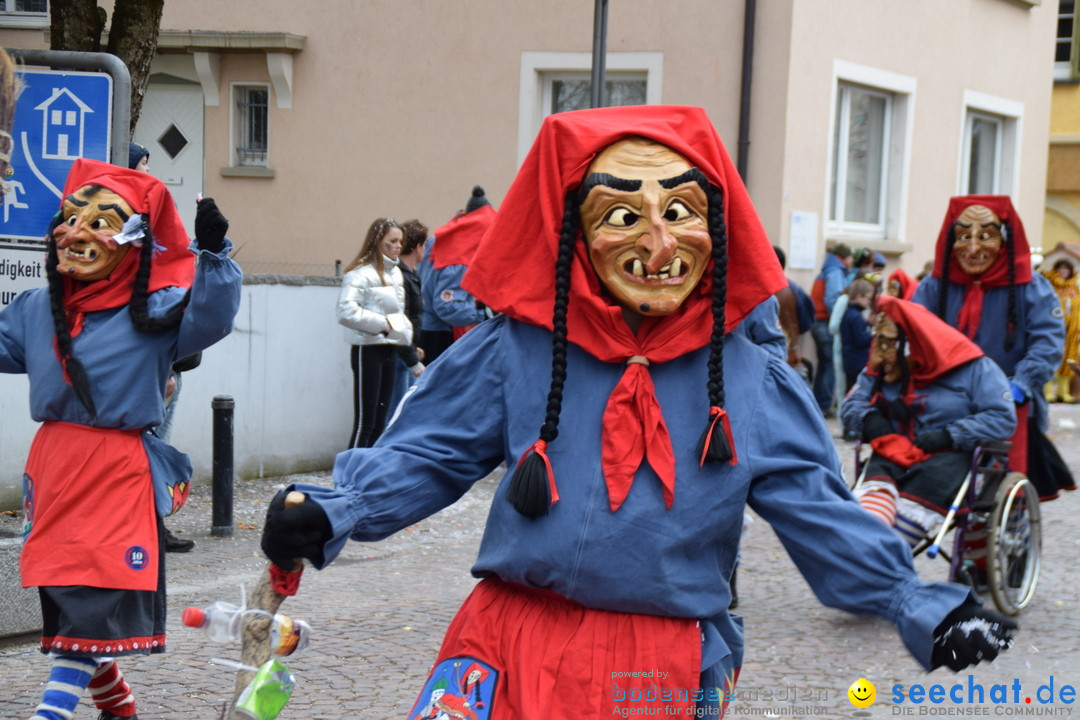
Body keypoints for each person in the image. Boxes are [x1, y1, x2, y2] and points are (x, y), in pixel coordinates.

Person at [261, 106, 1014, 718]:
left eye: (680, 210)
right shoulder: (516, 351)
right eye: (622, 215)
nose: (657, 243)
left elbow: (818, 509)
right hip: (506, 644)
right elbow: (428, 452)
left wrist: (920, 603)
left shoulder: (748, 378)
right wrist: (336, 507)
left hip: (659, 666)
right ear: (574, 236)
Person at [1, 158, 241, 720]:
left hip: (115, 473)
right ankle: (121, 707)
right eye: (71, 216)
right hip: (56, 469)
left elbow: (212, 316)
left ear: (133, 243)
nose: (78, 232)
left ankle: (51, 713)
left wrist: (214, 253)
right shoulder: (38, 309)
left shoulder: (155, 312)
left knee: (92, 601)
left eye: (101, 220)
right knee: (67, 599)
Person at [911, 196, 1074, 500]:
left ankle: (1008, 530)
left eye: (985, 236)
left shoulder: (1032, 288)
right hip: (945, 398)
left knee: (999, 490)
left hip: (1009, 402)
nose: (973, 248)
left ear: (1006, 241)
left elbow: (1047, 344)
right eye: (963, 237)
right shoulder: (933, 288)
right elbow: (912, 334)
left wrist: (1022, 382)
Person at [842, 295, 1015, 548]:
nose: (879, 352)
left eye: (889, 344)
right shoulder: (881, 367)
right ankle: (866, 551)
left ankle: (885, 559)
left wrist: (950, 434)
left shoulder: (976, 368)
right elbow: (852, 403)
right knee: (871, 508)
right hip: (893, 450)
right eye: (878, 341)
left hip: (953, 456)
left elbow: (1001, 418)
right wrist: (869, 418)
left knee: (906, 516)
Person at [126, 140, 196, 553]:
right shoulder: (125, 229)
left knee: (158, 447)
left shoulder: (153, 222)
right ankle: (149, 523)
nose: (151, 175)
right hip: (155, 368)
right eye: (144, 166)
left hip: (170, 365)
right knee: (146, 446)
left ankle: (156, 521)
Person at [337, 217, 413, 449]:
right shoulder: (359, 273)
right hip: (366, 349)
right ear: (378, 241)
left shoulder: (395, 273)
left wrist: (405, 339)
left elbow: (397, 314)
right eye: (393, 241)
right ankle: (350, 476)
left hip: (388, 349)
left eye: (400, 241)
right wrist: (383, 324)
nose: (398, 246)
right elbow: (345, 311)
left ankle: (366, 475)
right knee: (365, 422)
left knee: (381, 421)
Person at [417, 186, 494, 364]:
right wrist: (477, 306)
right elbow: (447, 306)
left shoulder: (439, 239)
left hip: (425, 329)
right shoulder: (459, 253)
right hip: (441, 335)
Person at [388, 218, 427, 414]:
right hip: (401, 354)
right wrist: (411, 354)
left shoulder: (412, 275)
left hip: (407, 352)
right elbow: (400, 319)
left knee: (405, 409)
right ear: (418, 246)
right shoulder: (400, 276)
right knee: (396, 410)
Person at [810, 242, 852, 415]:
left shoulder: (826, 269)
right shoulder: (835, 271)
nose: (851, 262)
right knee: (830, 364)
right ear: (844, 257)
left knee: (823, 363)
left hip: (817, 321)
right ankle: (825, 404)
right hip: (824, 322)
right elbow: (832, 300)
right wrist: (839, 320)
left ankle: (819, 403)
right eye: (850, 258)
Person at [772, 245, 814, 378]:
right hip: (791, 353)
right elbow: (807, 320)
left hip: (777, 357)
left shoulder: (764, 291)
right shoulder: (795, 289)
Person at [1041, 258, 1079, 403]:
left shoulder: (1073, 289)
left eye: (1066, 269)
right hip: (1053, 329)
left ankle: (1063, 393)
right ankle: (1048, 392)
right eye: (1060, 269)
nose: (1063, 272)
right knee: (1050, 358)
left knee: (1068, 360)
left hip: (1071, 331)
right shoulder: (1049, 286)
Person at [839, 278, 876, 396]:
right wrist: (875, 334)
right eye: (868, 298)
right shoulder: (855, 316)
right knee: (855, 391)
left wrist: (867, 324)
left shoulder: (850, 313)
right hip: (857, 362)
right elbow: (861, 340)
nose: (869, 302)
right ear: (859, 296)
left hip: (850, 360)